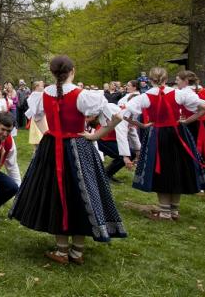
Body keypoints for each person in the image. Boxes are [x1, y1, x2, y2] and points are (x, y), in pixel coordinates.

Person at [9, 55, 127, 265]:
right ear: (72, 70)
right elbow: (116, 117)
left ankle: (62, 251)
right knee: (80, 194)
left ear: (52, 73)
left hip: (51, 148)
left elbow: (36, 117)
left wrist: (49, 133)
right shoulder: (83, 95)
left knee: (56, 194)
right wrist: (94, 136)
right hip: (79, 147)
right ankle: (76, 251)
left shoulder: (42, 94)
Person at [123, 67, 205, 220]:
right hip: (178, 133)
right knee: (177, 168)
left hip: (157, 136)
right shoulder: (179, 93)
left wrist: (142, 125)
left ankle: (165, 212)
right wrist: (186, 121)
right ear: (166, 79)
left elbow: (126, 115)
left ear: (150, 80)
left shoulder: (144, 97)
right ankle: (174, 211)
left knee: (161, 169)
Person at [27, 81, 48, 152]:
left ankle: (42, 149)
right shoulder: (34, 95)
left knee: (43, 134)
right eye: (41, 86)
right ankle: (36, 150)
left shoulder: (43, 94)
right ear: (36, 87)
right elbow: (33, 107)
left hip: (43, 117)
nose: (43, 87)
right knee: (36, 135)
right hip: (36, 117)